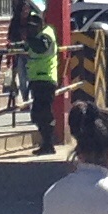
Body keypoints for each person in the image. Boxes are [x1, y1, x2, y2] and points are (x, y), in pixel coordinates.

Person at [24, 14, 63, 154]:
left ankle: (48, 144)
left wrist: (29, 39)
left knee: (44, 113)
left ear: (41, 25)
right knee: (38, 114)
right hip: (37, 79)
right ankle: (47, 143)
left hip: (46, 79)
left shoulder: (46, 35)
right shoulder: (37, 36)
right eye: (29, 27)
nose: (31, 29)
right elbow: (28, 47)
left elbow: (41, 47)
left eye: (33, 27)